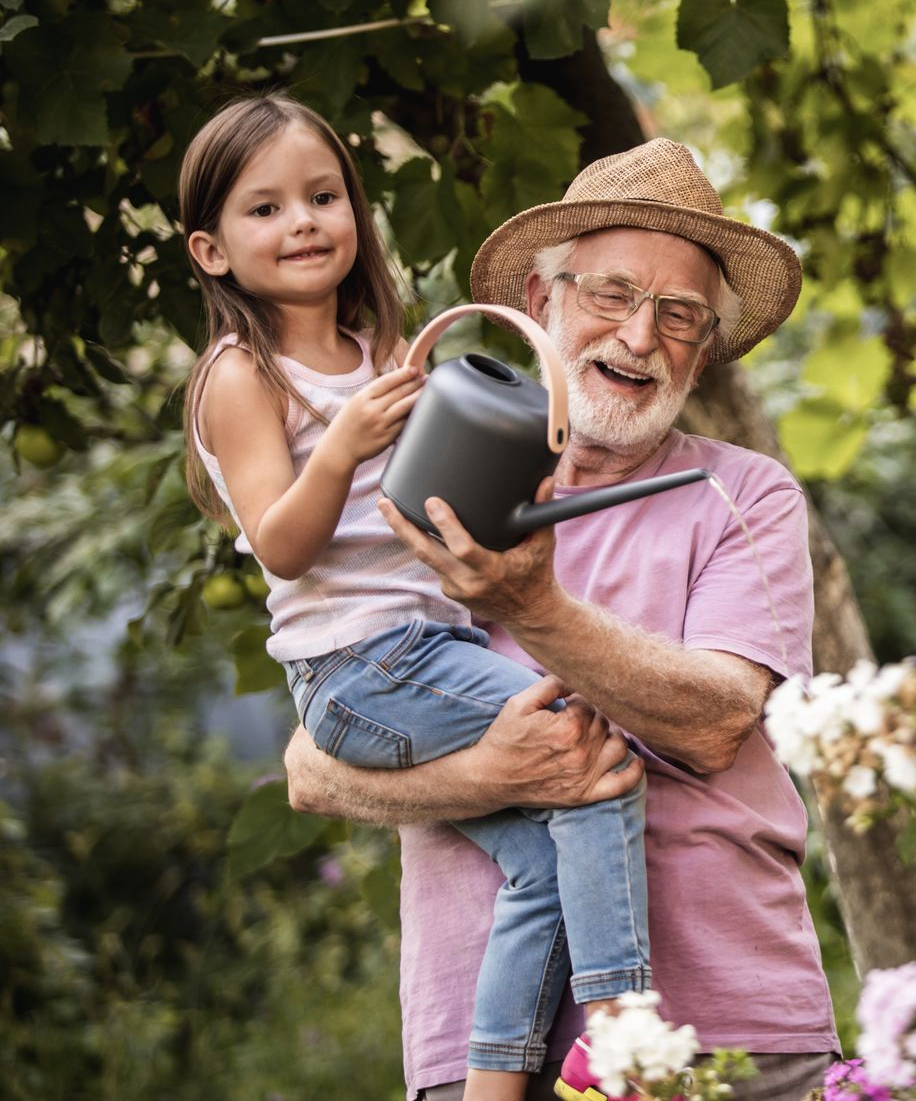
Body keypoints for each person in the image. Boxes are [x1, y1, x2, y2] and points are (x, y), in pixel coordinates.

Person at [285, 137, 841, 1101]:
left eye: (678, 316)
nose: (638, 338)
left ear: (704, 349)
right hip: (483, 1053)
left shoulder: (743, 494)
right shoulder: (427, 481)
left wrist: (529, 609)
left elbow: (714, 722)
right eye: (612, 294)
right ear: (542, 306)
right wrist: (480, 776)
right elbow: (313, 768)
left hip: (726, 1034)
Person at [178, 94, 660, 1101]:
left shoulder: (373, 351)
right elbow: (283, 542)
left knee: (534, 862)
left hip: (418, 645)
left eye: (320, 196)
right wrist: (346, 441)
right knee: (586, 746)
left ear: (355, 211)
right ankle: (623, 1028)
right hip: (358, 664)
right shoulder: (239, 373)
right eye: (263, 209)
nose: (302, 221)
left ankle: (491, 1088)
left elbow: (418, 511)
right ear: (211, 249)